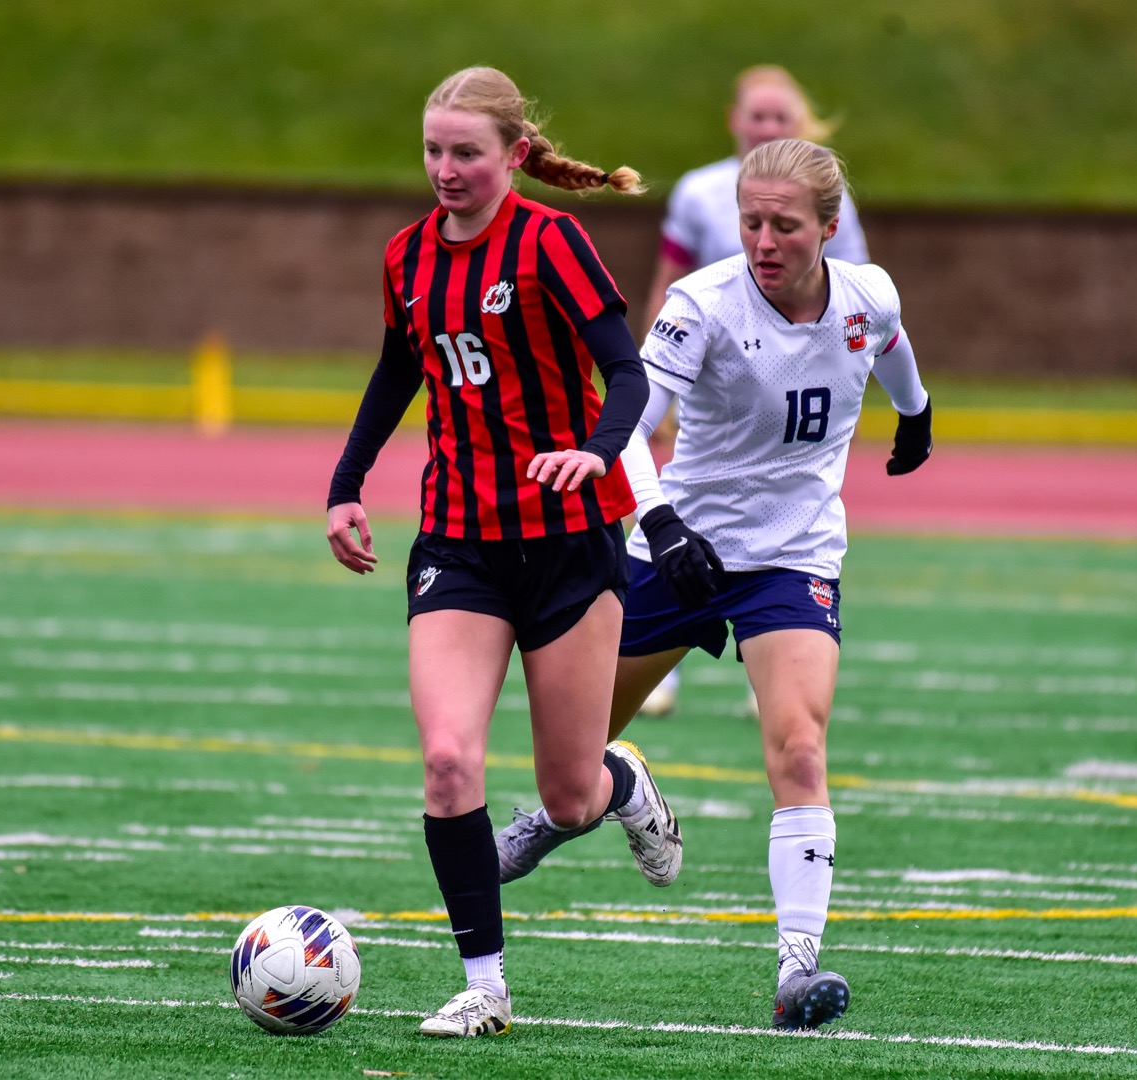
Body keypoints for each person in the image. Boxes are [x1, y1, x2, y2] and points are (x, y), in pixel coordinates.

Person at [497, 138, 935, 1030]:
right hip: (678, 549)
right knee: (567, 765)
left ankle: (796, 970)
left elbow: (890, 343)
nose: (764, 240)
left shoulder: (867, 292)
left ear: (829, 227)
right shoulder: (701, 303)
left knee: (800, 748)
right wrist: (658, 522)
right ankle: (612, 789)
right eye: (751, 222)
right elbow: (626, 423)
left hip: (793, 559)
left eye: (784, 224)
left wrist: (917, 413)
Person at [325, 66, 683, 1040]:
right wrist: (346, 485)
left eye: (466, 152)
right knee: (448, 762)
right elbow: (400, 369)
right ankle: (485, 984)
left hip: (569, 544)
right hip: (459, 546)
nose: (446, 169)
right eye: (434, 150)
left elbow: (628, 373)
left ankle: (624, 786)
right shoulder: (408, 257)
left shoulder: (551, 243)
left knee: (568, 794)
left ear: (515, 155)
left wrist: (596, 451)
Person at [636, 65, 870, 719]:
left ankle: (774, 654)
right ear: (733, 120)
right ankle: (663, 666)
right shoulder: (698, 192)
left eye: (779, 117)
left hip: (789, 377)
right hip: (708, 366)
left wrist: (905, 404)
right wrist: (651, 373)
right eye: (756, 116)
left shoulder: (830, 199)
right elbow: (670, 283)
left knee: (782, 504)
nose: (766, 127)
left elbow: (853, 293)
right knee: (693, 498)